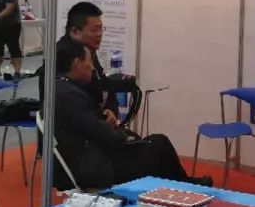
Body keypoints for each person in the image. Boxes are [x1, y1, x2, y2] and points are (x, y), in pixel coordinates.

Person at [53, 39, 210, 189]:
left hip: (89, 160)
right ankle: (186, 187)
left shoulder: (62, 89)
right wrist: (122, 136)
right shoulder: (70, 95)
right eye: (89, 62)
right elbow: (101, 134)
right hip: (94, 168)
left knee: (154, 144)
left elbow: (88, 124)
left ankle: (182, 186)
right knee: (159, 146)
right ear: (76, 63)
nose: (92, 68)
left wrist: (106, 122)